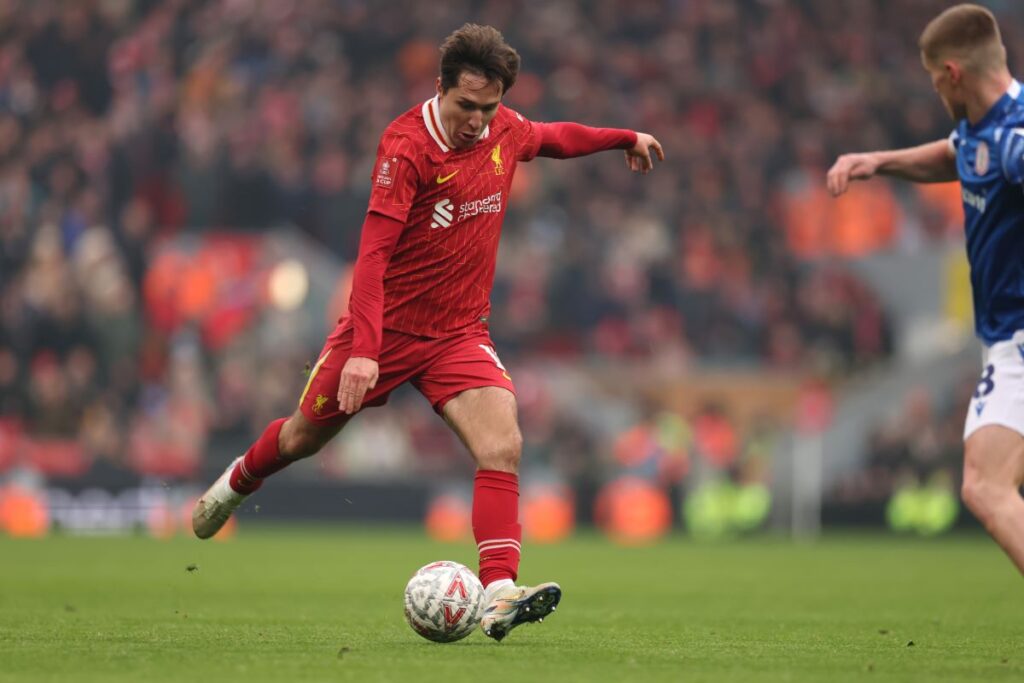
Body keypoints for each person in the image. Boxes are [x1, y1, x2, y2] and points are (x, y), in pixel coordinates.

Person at [191, 23, 663, 641]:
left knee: (503, 446)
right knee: (303, 437)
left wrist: (625, 137)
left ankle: (498, 592)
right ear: (441, 89)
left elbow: (553, 137)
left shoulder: (503, 130)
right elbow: (372, 257)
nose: (477, 121)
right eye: (466, 106)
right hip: (384, 331)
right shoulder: (406, 147)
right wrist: (363, 350)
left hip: (459, 333)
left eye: (488, 107)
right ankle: (232, 487)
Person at [827, 4, 1024, 574]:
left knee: (986, 487)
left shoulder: (1014, 137)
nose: (935, 88)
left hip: (1018, 340)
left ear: (953, 73)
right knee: (988, 486)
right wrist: (879, 162)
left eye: (935, 76)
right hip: (1006, 339)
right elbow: (957, 154)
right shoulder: (984, 131)